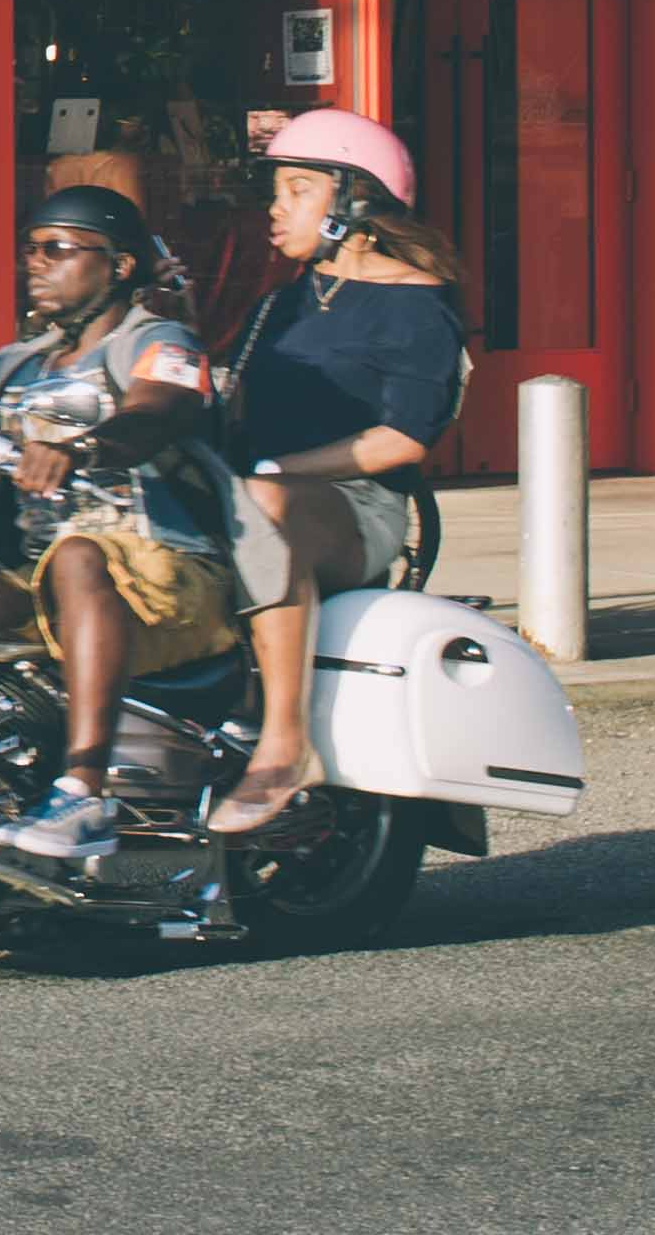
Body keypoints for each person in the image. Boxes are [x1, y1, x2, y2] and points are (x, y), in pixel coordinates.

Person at [205, 110, 469, 836]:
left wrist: (276, 471)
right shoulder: (277, 306)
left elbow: (402, 441)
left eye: (296, 190)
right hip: (254, 493)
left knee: (263, 503)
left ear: (353, 203)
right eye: (276, 192)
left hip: (358, 507)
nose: (276, 208)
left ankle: (287, 745)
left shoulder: (416, 304)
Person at [0, 182, 235, 875]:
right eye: (30, 248)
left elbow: (160, 409)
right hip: (41, 576)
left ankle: (82, 793)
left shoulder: (157, 341)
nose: (36, 262)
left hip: (164, 571)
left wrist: (84, 444)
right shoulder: (13, 364)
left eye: (57, 249)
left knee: (78, 553)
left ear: (118, 265)